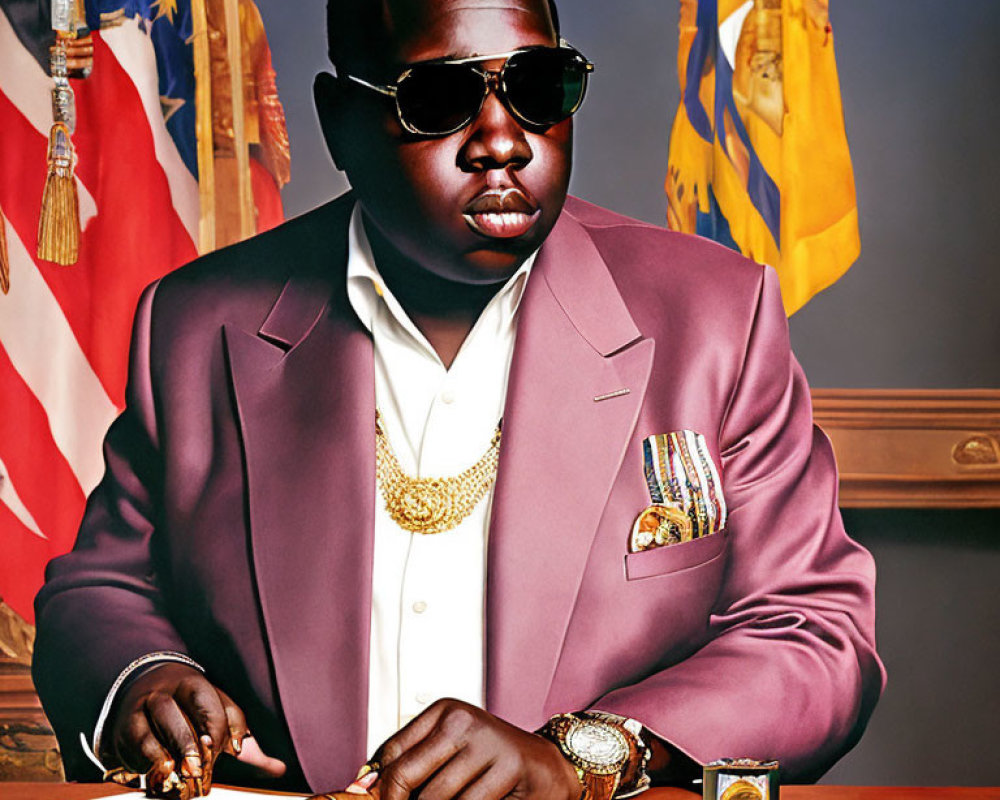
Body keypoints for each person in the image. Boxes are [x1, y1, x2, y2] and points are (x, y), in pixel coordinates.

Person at [32, 0, 885, 797]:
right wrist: (140, 677)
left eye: (538, 88)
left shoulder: (712, 317)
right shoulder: (198, 324)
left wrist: (576, 757)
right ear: (338, 123)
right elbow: (101, 588)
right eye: (439, 99)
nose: (502, 141)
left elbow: (814, 637)